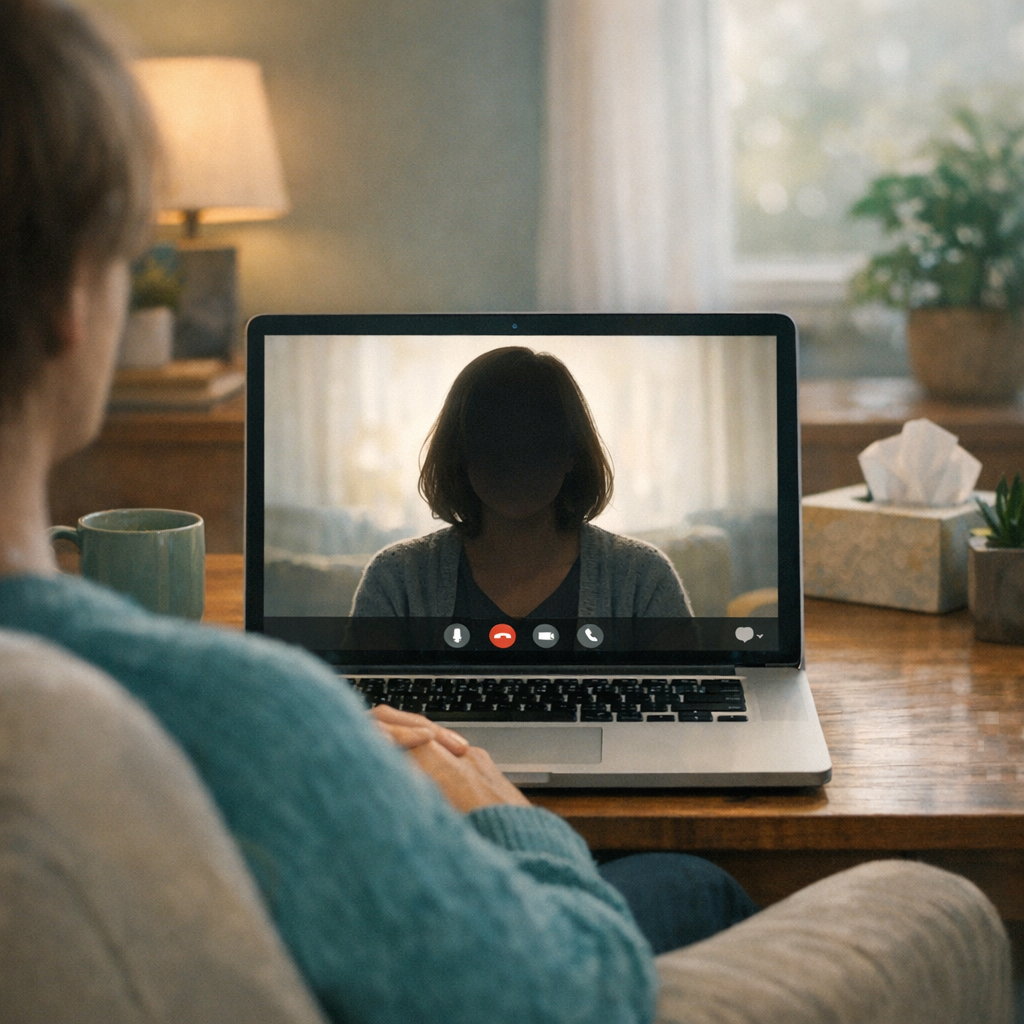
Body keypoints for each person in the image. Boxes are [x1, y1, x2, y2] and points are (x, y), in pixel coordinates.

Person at [0, 2, 756, 1021]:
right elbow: (575, 1000)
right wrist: (507, 817)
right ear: (70, 306)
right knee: (720, 885)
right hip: (505, 925)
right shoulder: (256, 716)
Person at [353, 347, 693, 619]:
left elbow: (685, 690)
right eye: (494, 441)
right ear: (461, 453)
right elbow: (359, 705)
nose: (516, 462)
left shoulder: (643, 578)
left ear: (570, 453)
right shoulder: (395, 579)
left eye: (536, 440)